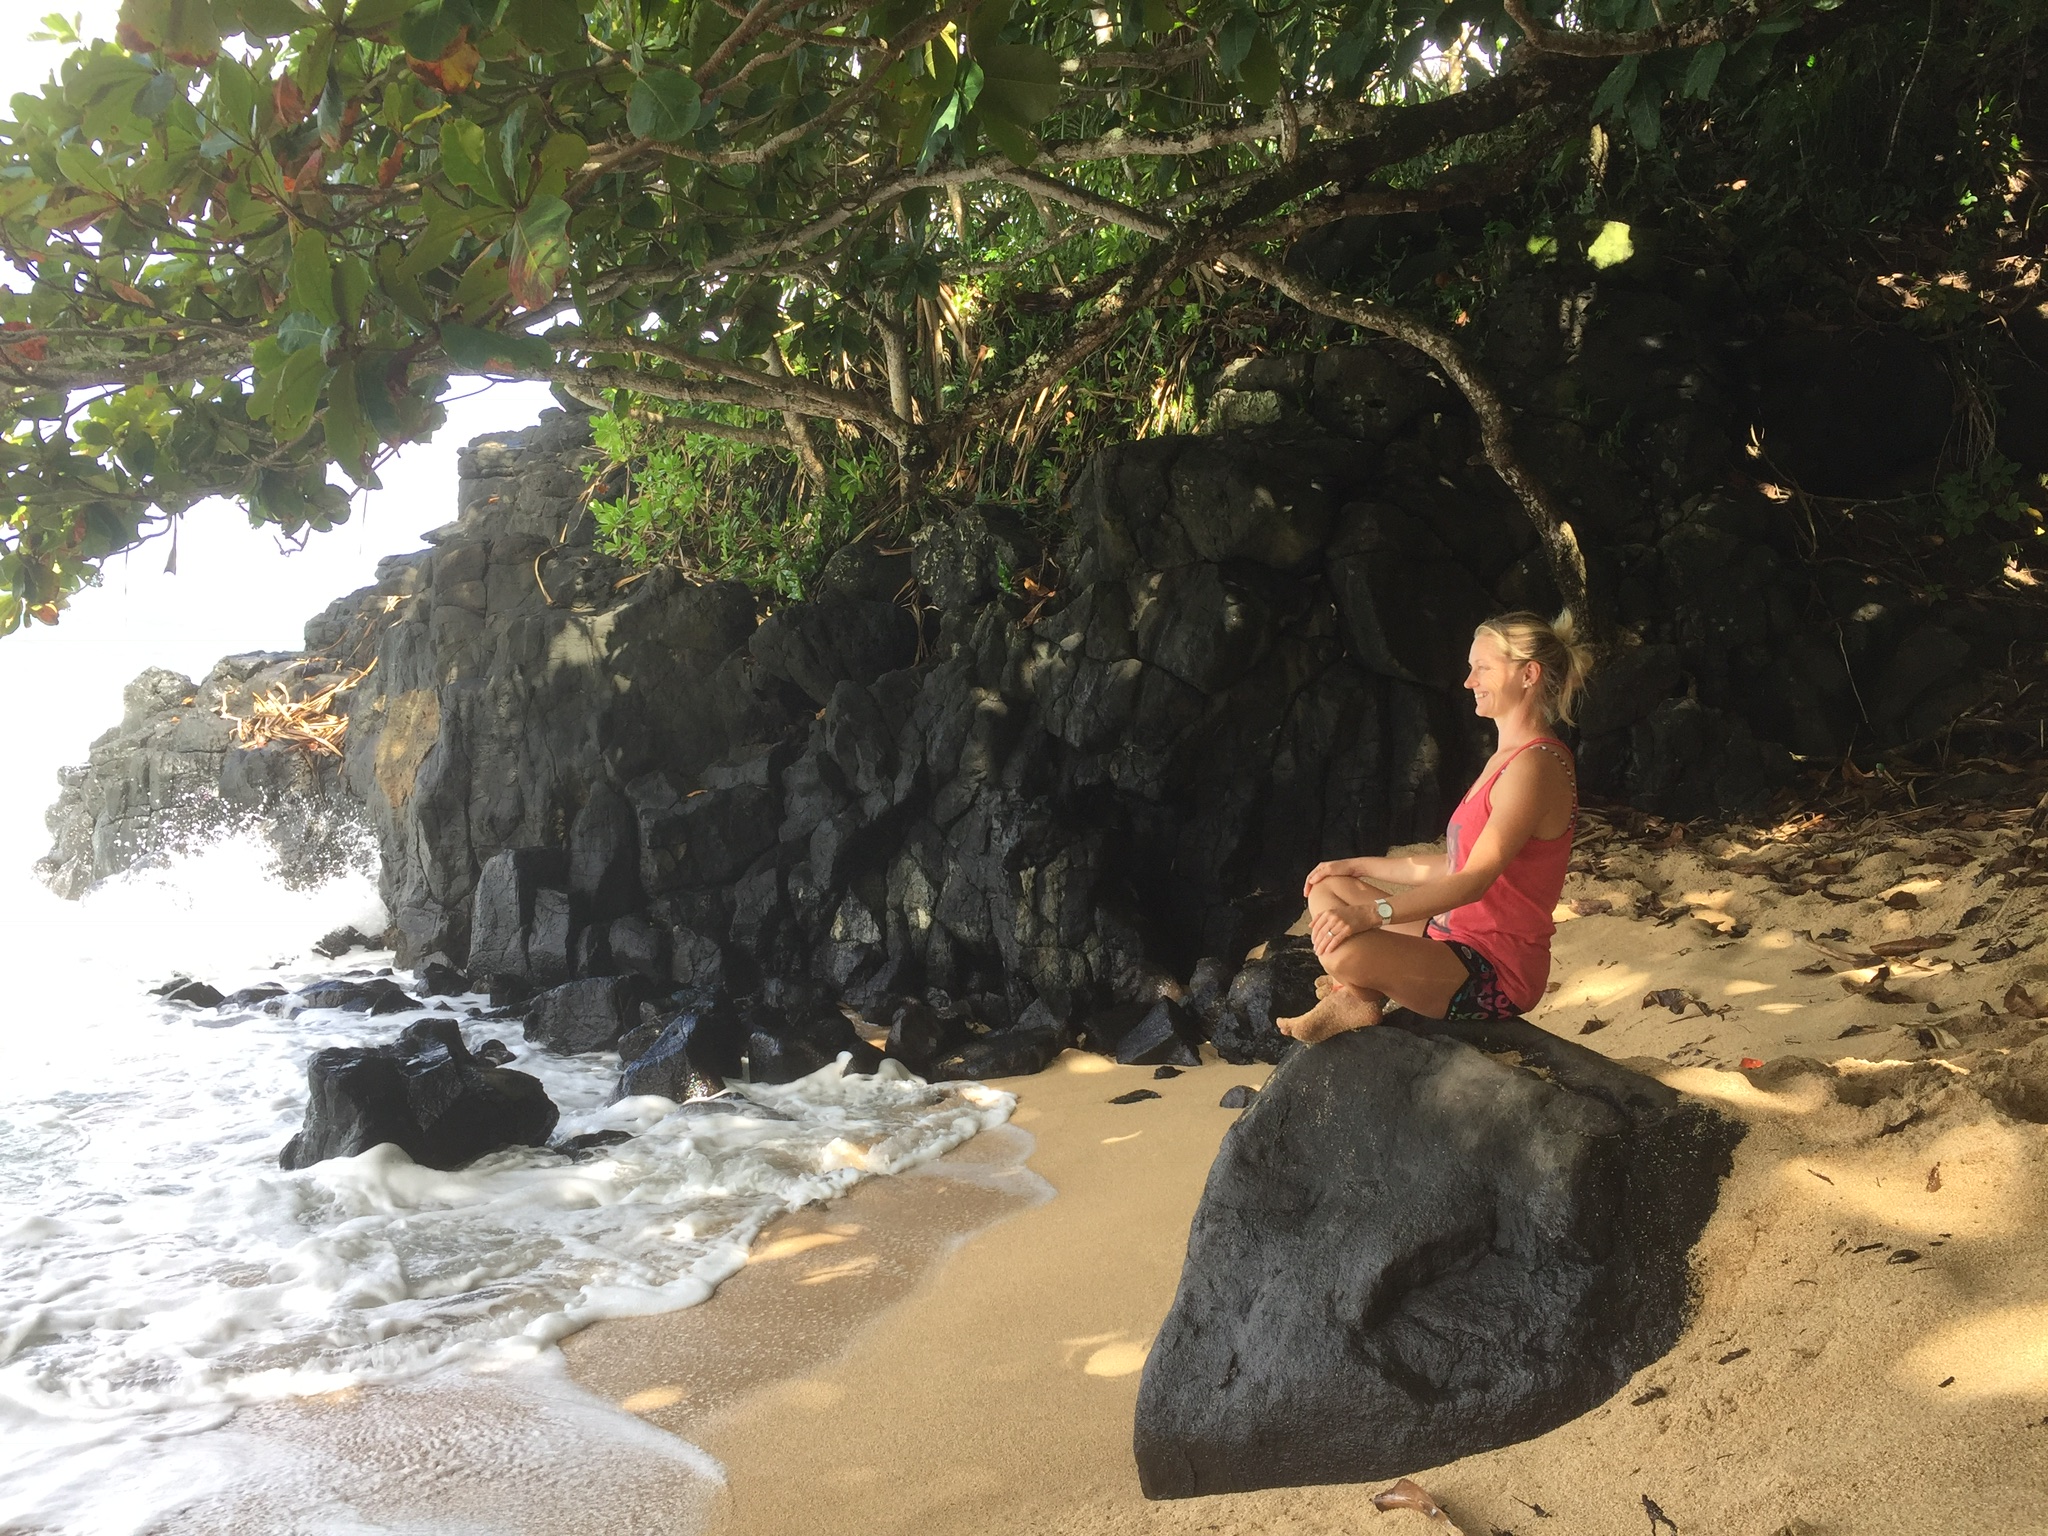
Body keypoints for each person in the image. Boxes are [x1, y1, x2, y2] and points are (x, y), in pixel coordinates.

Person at [1277, 611, 1594, 1043]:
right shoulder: (1507, 759)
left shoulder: (1534, 766)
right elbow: (1454, 864)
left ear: (1528, 674)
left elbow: (1473, 881)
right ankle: (1358, 993)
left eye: (1482, 668)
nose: (1469, 681)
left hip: (1493, 968)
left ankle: (1356, 993)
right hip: (1449, 934)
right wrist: (1355, 866)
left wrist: (1370, 914)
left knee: (1343, 950)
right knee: (1327, 888)